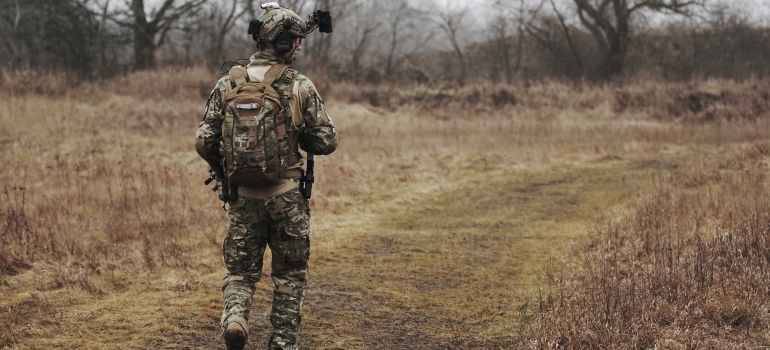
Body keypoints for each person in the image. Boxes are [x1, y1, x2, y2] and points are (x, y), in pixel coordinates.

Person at [194, 3, 337, 349]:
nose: (299, 47)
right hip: (287, 196)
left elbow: (204, 140)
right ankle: (283, 343)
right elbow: (327, 141)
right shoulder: (299, 85)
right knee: (289, 274)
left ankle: (236, 318)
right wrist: (296, 134)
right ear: (284, 42)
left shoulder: (229, 82)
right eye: (296, 41)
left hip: (243, 196)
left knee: (241, 271)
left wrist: (226, 173)